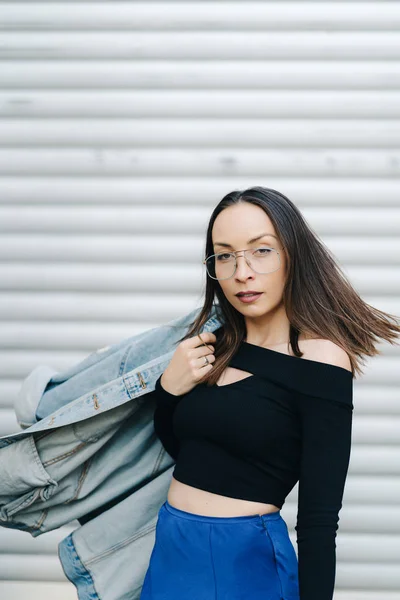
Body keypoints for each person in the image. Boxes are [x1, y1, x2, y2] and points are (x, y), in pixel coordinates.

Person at [139, 186, 400, 600]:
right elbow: (184, 451)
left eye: (261, 250)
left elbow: (318, 519)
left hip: (244, 563)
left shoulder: (321, 361)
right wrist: (168, 390)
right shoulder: (215, 345)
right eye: (224, 255)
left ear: (293, 255)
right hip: (172, 548)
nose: (242, 271)